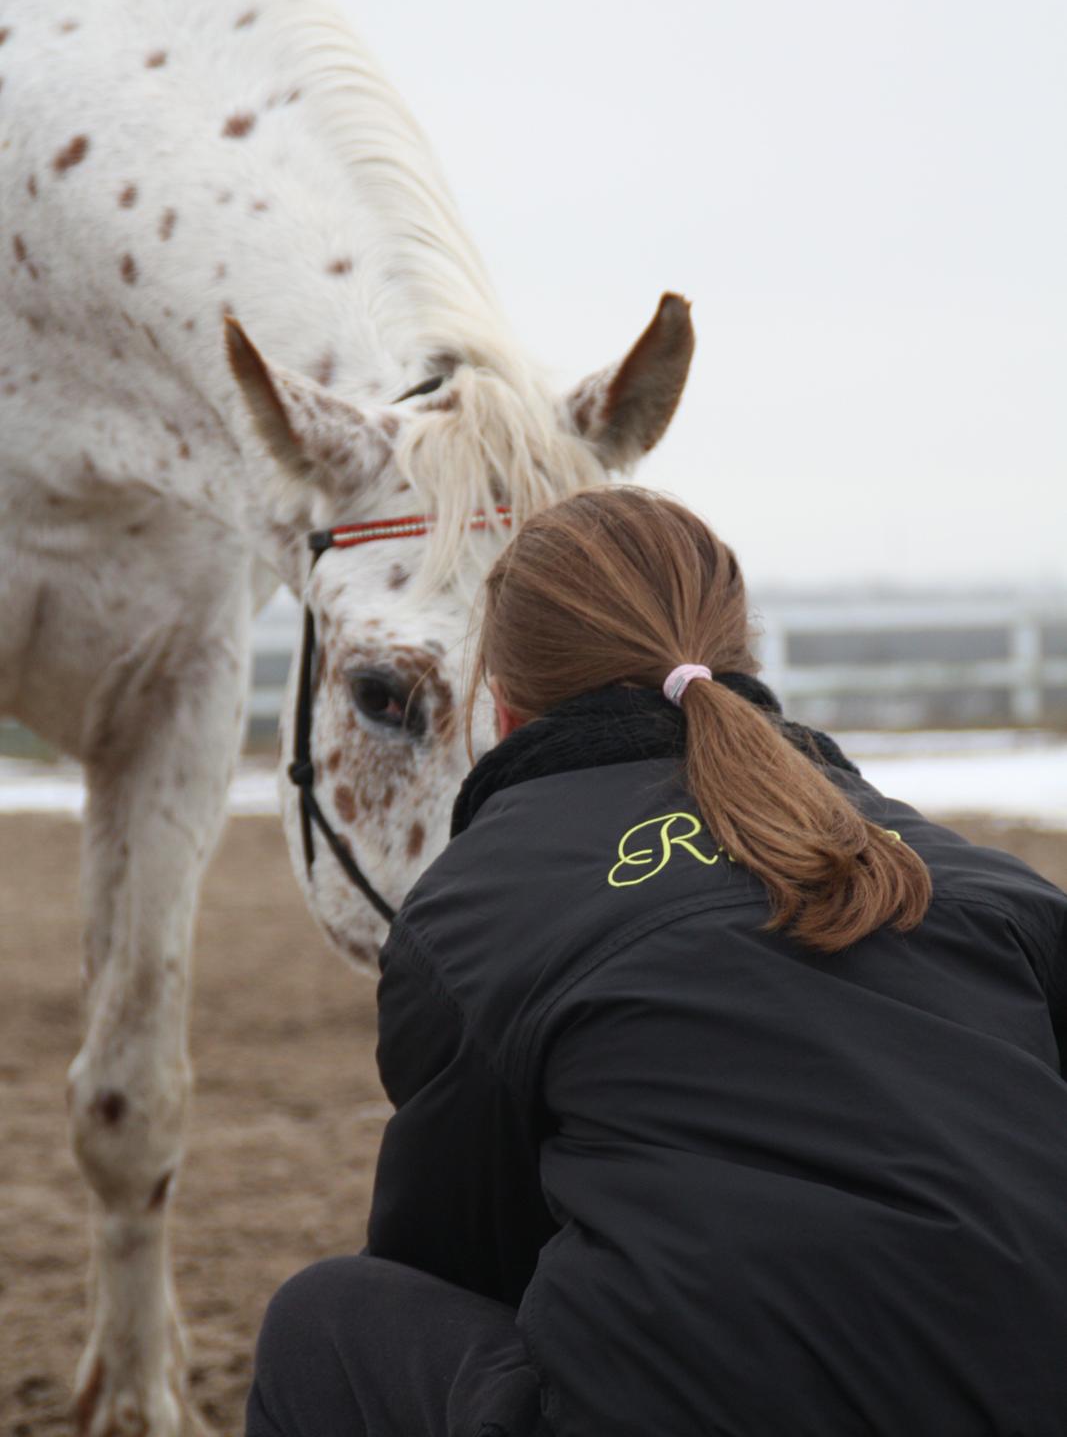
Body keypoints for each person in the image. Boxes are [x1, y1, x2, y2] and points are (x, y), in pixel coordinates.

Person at [246, 487, 1067, 1437]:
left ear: (501, 697)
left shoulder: (473, 918)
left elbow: (456, 1254)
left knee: (327, 1322)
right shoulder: (990, 889)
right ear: (740, 657)